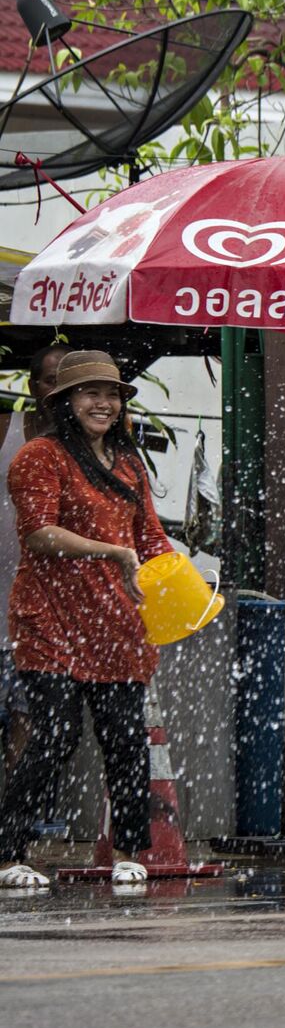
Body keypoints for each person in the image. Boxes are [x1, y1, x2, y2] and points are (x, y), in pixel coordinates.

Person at [0, 351, 172, 889]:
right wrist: (115, 554)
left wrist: (179, 581)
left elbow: (150, 540)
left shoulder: (127, 464)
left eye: (112, 394)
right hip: (50, 622)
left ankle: (127, 851)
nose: (104, 403)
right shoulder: (39, 457)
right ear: (65, 402)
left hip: (118, 626)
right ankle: (9, 854)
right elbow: (38, 534)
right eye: (90, 393)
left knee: (124, 739)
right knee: (54, 737)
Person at [0, 344, 70, 811]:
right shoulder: (8, 433)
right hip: (7, 598)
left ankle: (14, 824)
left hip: (46, 616)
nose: (63, 390)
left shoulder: (96, 447)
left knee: (34, 725)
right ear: (33, 387)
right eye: (52, 380)